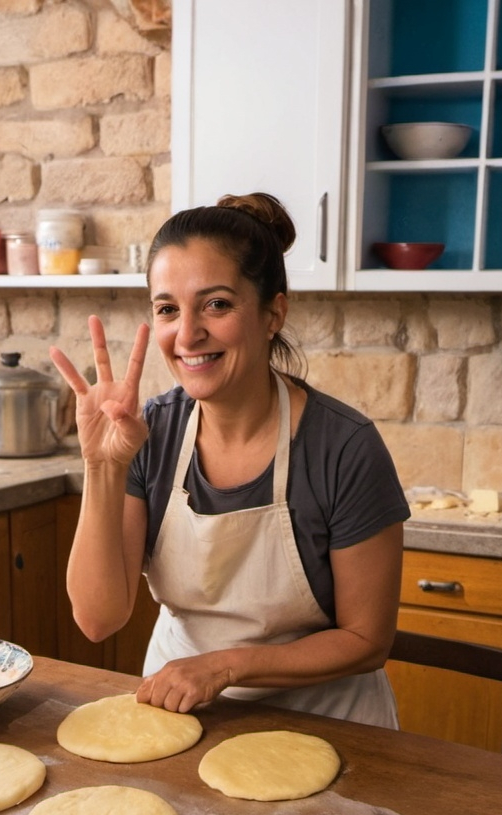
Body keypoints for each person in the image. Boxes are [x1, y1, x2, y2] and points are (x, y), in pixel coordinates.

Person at [50, 192, 410, 725]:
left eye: (216, 304)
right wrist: (104, 467)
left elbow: (366, 640)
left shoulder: (344, 447)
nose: (188, 334)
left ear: (273, 313)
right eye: (168, 309)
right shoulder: (150, 432)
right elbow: (99, 619)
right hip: (181, 718)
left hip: (332, 725)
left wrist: (225, 667)